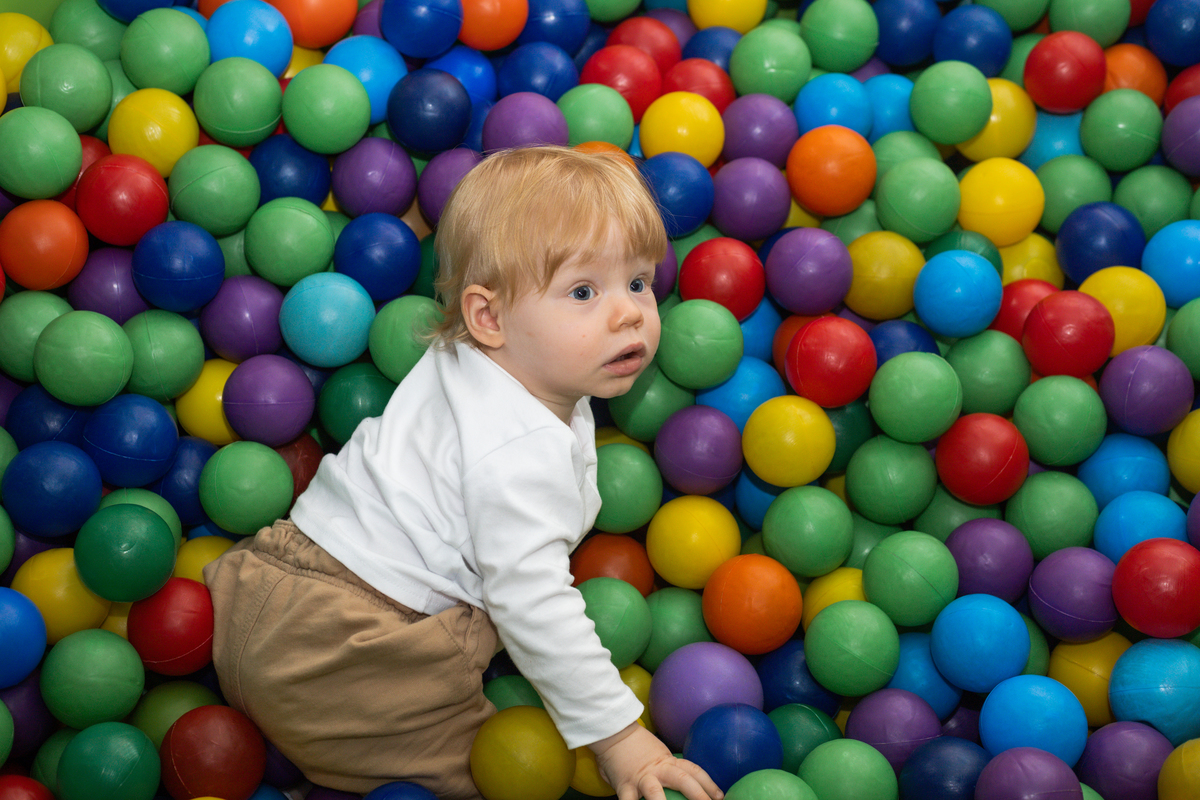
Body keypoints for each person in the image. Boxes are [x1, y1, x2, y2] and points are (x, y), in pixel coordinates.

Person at [204, 146, 723, 800]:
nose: (628, 314)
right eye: (583, 292)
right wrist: (619, 738)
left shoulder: (469, 355)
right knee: (504, 776)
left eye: (639, 283)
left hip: (260, 587)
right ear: (490, 318)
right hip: (354, 655)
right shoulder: (519, 450)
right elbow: (531, 601)